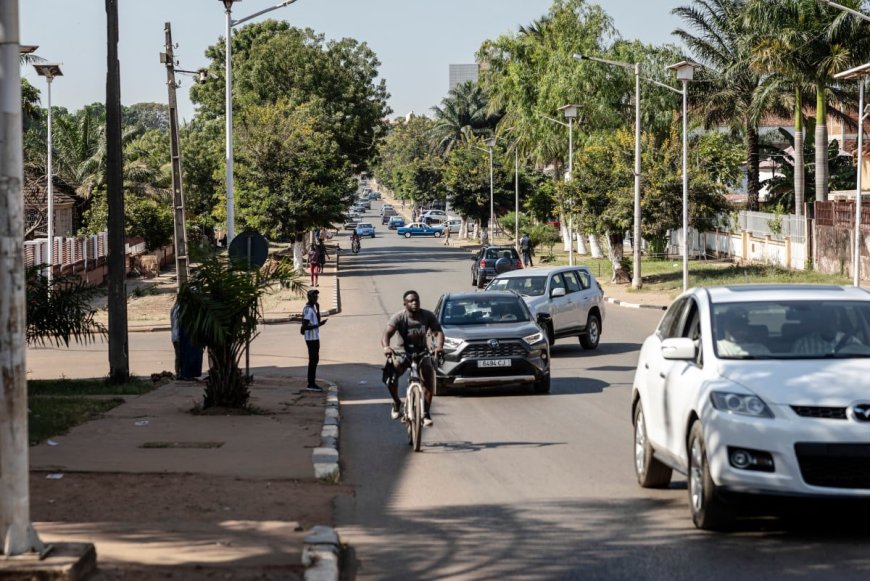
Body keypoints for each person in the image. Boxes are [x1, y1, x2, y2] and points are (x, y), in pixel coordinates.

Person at [381, 290, 445, 427]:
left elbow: (438, 332)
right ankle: (397, 403)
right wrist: (386, 347)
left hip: (422, 352)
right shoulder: (399, 317)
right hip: (403, 353)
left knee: (428, 375)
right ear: (405, 304)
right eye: (411, 301)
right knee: (391, 376)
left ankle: (426, 413)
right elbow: (387, 333)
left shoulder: (427, 315)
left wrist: (439, 346)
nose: (414, 302)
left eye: (416, 300)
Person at [792, 307, 862, 355]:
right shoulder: (803, 344)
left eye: (833, 321)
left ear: (838, 323)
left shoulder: (851, 342)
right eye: (826, 321)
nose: (830, 325)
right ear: (819, 323)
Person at [301, 289, 327, 392]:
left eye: (317, 296)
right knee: (312, 360)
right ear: (309, 297)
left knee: (315, 360)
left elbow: (318, 320)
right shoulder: (307, 309)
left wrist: (318, 309)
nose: (316, 298)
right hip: (311, 339)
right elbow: (304, 328)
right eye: (314, 296)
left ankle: (312, 382)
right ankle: (311, 383)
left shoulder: (313, 308)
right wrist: (318, 325)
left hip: (315, 337)